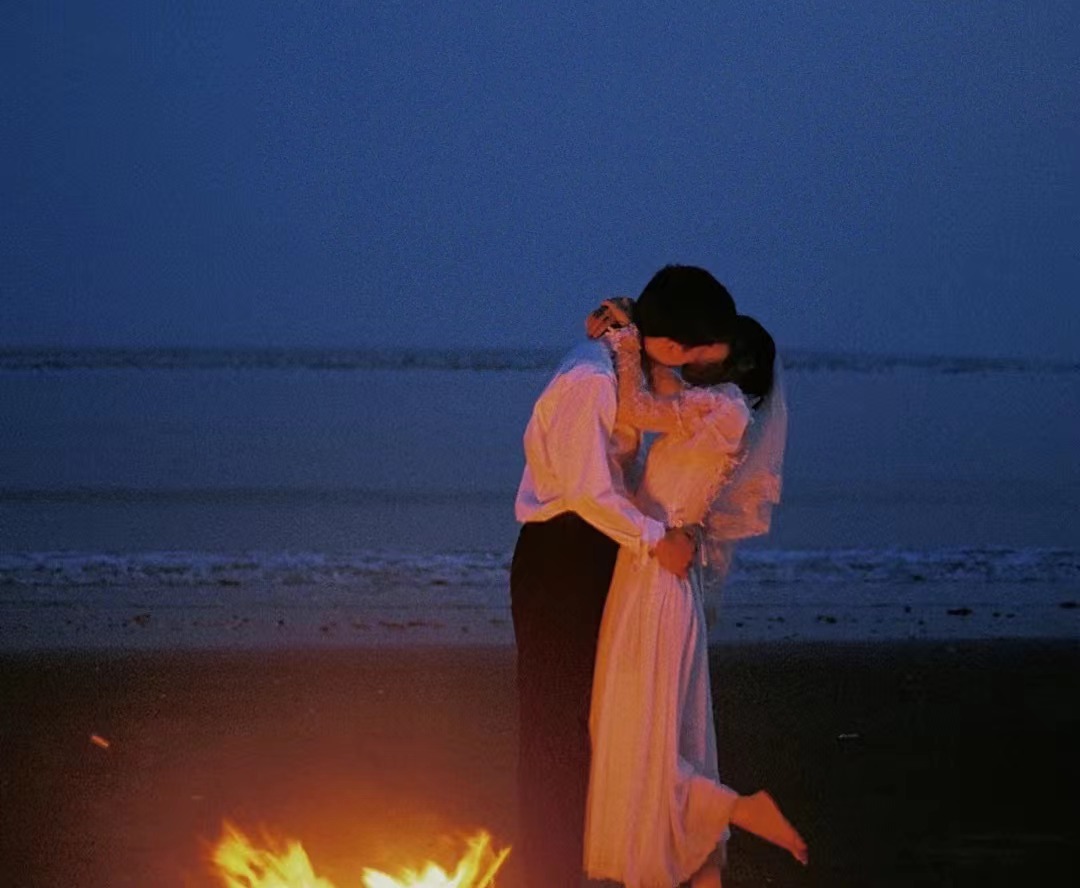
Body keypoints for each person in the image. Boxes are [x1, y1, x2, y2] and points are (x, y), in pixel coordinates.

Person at [510, 265, 738, 888]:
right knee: (556, 724)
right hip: (562, 553)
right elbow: (588, 492)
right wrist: (659, 540)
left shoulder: (624, 362)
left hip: (598, 549)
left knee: (593, 720)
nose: (695, 369)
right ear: (670, 342)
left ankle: (577, 864)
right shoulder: (589, 380)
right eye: (693, 355)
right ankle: (551, 874)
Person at [583, 314, 807, 888]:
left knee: (641, 737)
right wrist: (635, 326)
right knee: (666, 735)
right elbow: (660, 388)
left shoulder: (725, 408)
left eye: (710, 344)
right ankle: (707, 873)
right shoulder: (711, 409)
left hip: (658, 580)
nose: (697, 351)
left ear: (738, 361)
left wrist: (624, 340)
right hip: (651, 571)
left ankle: (738, 809)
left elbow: (635, 407)